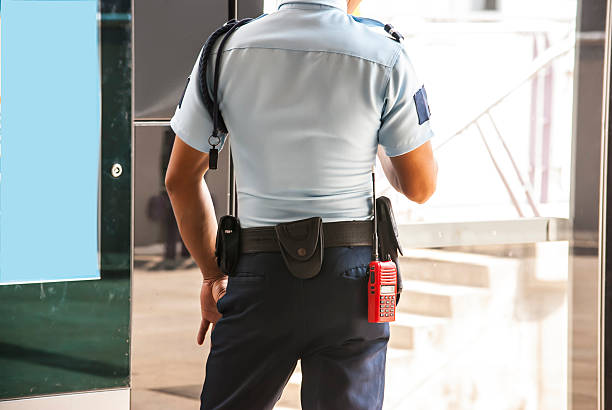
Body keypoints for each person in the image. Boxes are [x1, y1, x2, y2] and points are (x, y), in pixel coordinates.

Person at [164, 0, 438, 408]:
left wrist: (210, 274)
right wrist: (377, 142)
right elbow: (419, 186)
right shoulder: (386, 54)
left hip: (258, 277)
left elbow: (180, 180)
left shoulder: (223, 51)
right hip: (352, 284)